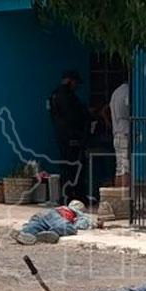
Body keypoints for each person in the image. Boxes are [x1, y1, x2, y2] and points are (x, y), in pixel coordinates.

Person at [48, 70, 90, 202]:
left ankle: (66, 196)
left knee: (66, 167)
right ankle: (77, 196)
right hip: (73, 137)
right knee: (76, 167)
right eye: (75, 83)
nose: (76, 86)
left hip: (61, 137)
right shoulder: (68, 96)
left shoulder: (54, 95)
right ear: (70, 81)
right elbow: (74, 117)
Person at [10, 200, 97, 246]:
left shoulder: (61, 207)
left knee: (36, 226)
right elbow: (81, 225)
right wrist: (93, 224)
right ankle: (51, 234)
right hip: (55, 216)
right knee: (69, 228)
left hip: (41, 215)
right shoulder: (76, 213)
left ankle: (25, 232)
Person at [109, 81, 130, 187]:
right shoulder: (128, 91)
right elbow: (127, 109)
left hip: (116, 133)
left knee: (119, 168)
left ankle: (118, 193)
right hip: (125, 132)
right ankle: (126, 194)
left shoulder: (115, 93)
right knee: (126, 168)